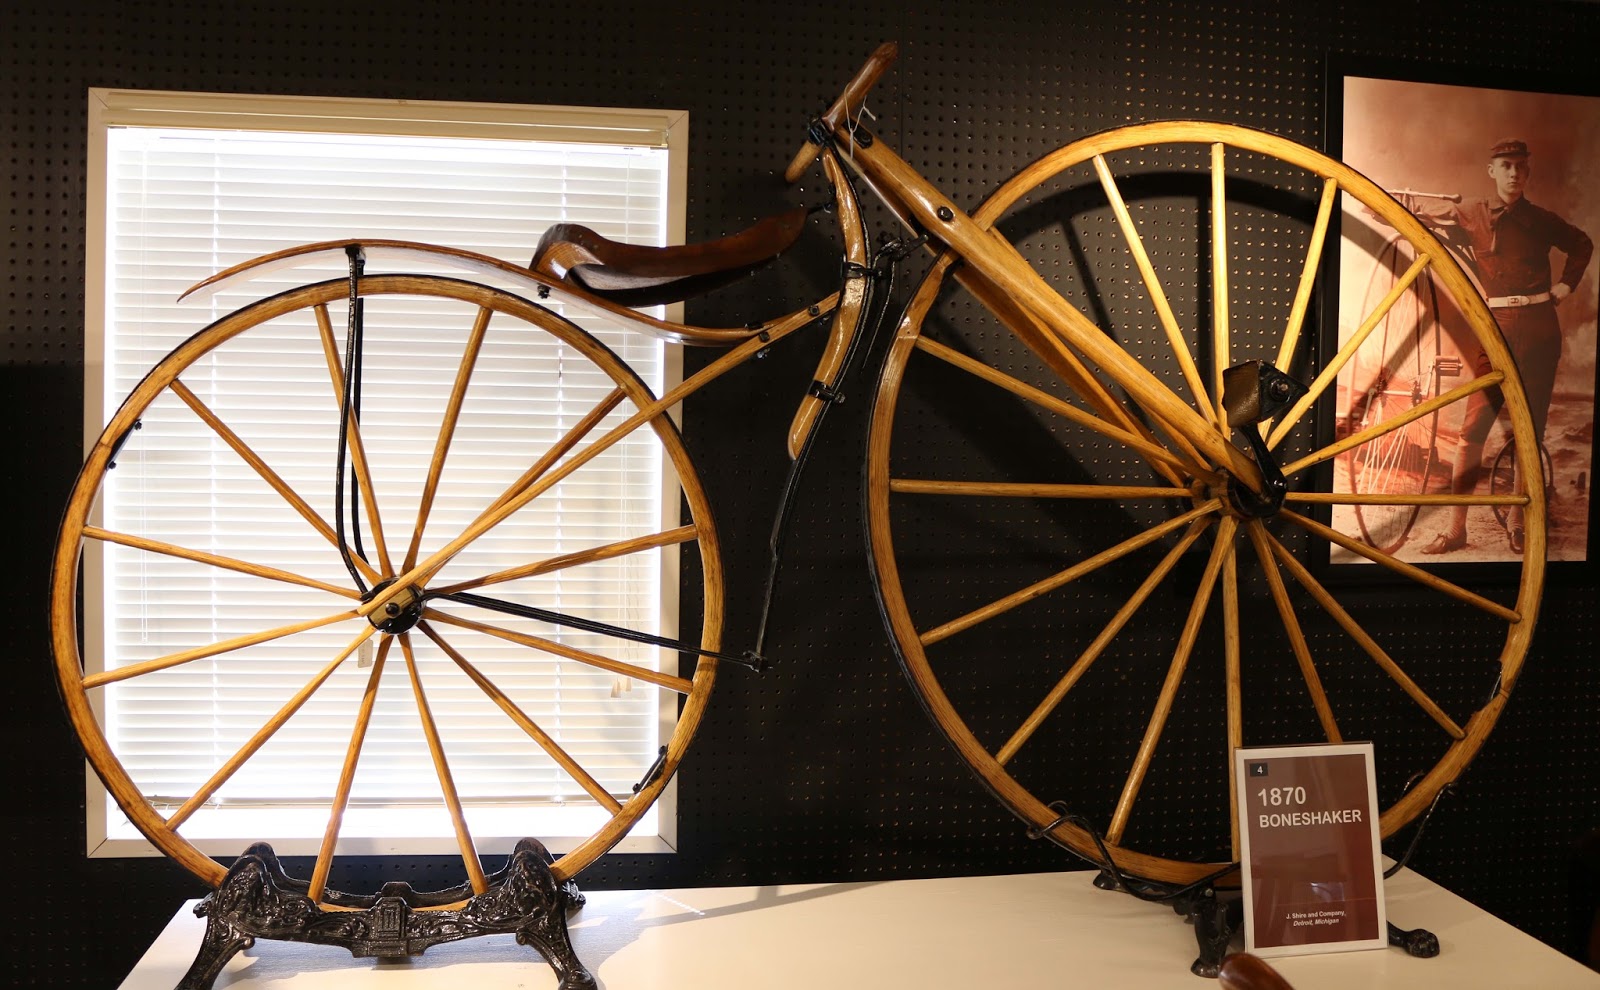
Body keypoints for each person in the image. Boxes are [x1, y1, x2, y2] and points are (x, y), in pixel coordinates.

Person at [1403, 139, 1592, 554]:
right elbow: (1424, 214)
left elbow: (1582, 243)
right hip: (1497, 329)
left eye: (1521, 167)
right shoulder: (1472, 212)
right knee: (1473, 431)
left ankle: (1521, 523)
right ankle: (1457, 529)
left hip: (1541, 329)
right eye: (1505, 166)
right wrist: (1400, 203)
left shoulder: (1541, 220)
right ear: (1492, 171)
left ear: (1527, 173)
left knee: (1530, 430)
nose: (1513, 174)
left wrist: (1564, 286)